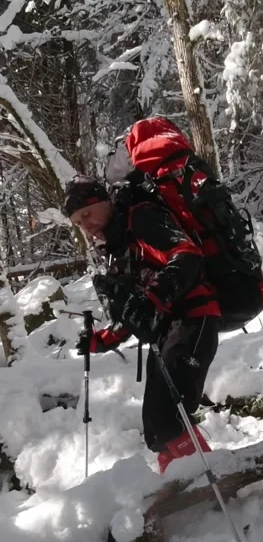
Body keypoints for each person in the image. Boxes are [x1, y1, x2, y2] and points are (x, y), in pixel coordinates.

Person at [64, 176, 220, 473]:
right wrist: (104, 339)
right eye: (77, 222)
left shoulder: (142, 217)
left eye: (87, 214)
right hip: (166, 331)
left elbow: (187, 256)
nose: (86, 225)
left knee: (169, 417)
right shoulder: (118, 244)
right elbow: (137, 309)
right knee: (156, 430)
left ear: (104, 200)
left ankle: (212, 483)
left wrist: (153, 297)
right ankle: (178, 486)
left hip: (193, 318)